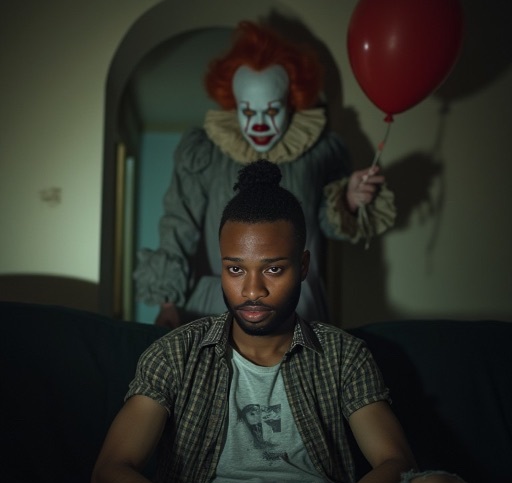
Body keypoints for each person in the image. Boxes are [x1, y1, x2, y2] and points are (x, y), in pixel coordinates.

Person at [25, 160, 477, 483]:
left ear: (303, 266)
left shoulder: (343, 354)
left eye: (274, 269)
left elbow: (396, 462)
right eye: (235, 269)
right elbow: (110, 471)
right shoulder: (176, 353)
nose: (252, 290)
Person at [133, 20, 396, 329]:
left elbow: (326, 224)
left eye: (271, 111)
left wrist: (348, 200)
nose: (259, 123)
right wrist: (168, 302)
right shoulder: (205, 153)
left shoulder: (319, 152)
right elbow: (179, 224)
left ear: (290, 103)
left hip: (296, 301)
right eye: (248, 111)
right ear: (235, 106)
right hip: (218, 302)